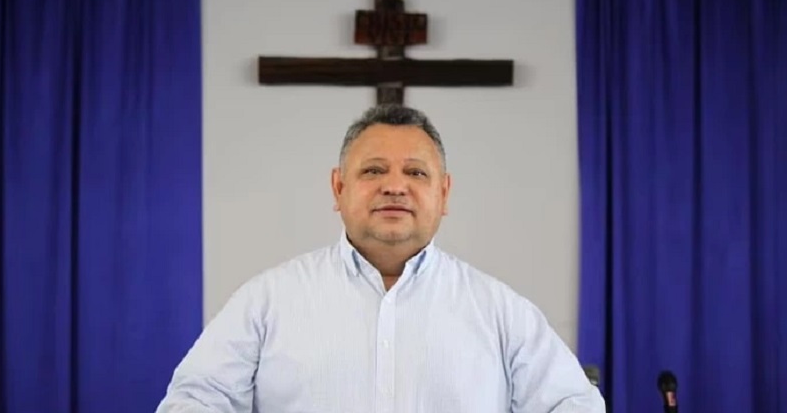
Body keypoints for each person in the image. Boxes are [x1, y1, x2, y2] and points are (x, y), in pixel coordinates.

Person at [156, 104, 605, 413]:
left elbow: (573, 405)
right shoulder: (266, 302)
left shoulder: (502, 312)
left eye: (415, 172)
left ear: (444, 193)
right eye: (373, 170)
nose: (394, 186)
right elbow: (194, 400)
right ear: (339, 188)